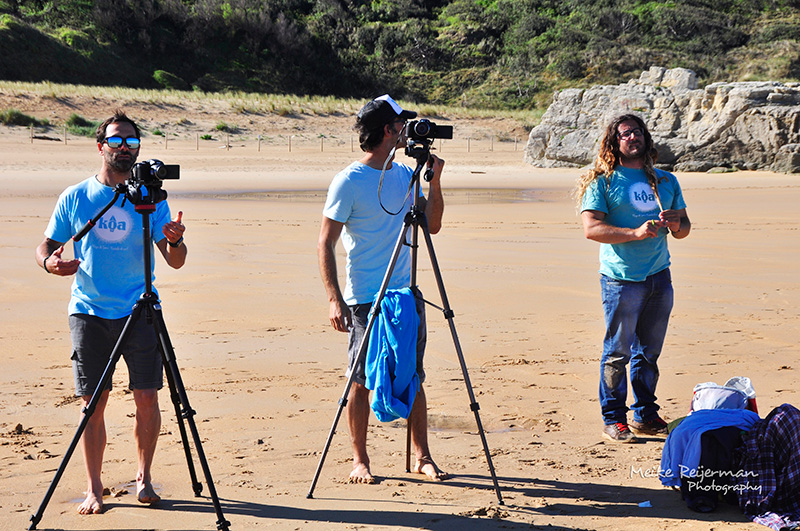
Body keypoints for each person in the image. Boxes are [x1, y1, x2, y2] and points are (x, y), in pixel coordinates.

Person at [35, 110, 187, 513]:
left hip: (141, 309)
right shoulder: (76, 196)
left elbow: (175, 261)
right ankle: (94, 488)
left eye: (132, 143)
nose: (125, 149)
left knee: (147, 397)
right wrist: (50, 263)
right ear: (101, 146)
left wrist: (173, 240)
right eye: (117, 141)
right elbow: (46, 246)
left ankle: (144, 478)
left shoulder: (152, 198)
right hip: (88, 311)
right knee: (93, 404)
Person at [318, 94, 448, 483]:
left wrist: (434, 180)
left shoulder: (404, 176)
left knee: (413, 373)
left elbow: (433, 225)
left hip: (405, 291)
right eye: (401, 126)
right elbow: (324, 242)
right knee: (359, 378)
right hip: (363, 297)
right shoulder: (349, 181)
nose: (408, 131)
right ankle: (361, 459)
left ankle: (423, 456)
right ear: (388, 130)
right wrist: (333, 299)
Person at [575, 114, 691, 443]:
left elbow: (684, 229)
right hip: (621, 279)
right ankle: (613, 418)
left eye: (637, 132)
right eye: (625, 134)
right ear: (614, 142)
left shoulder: (665, 181)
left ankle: (644, 414)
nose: (632, 138)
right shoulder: (603, 181)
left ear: (645, 138)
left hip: (659, 276)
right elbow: (591, 228)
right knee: (617, 352)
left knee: (649, 353)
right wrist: (635, 232)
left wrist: (675, 224)